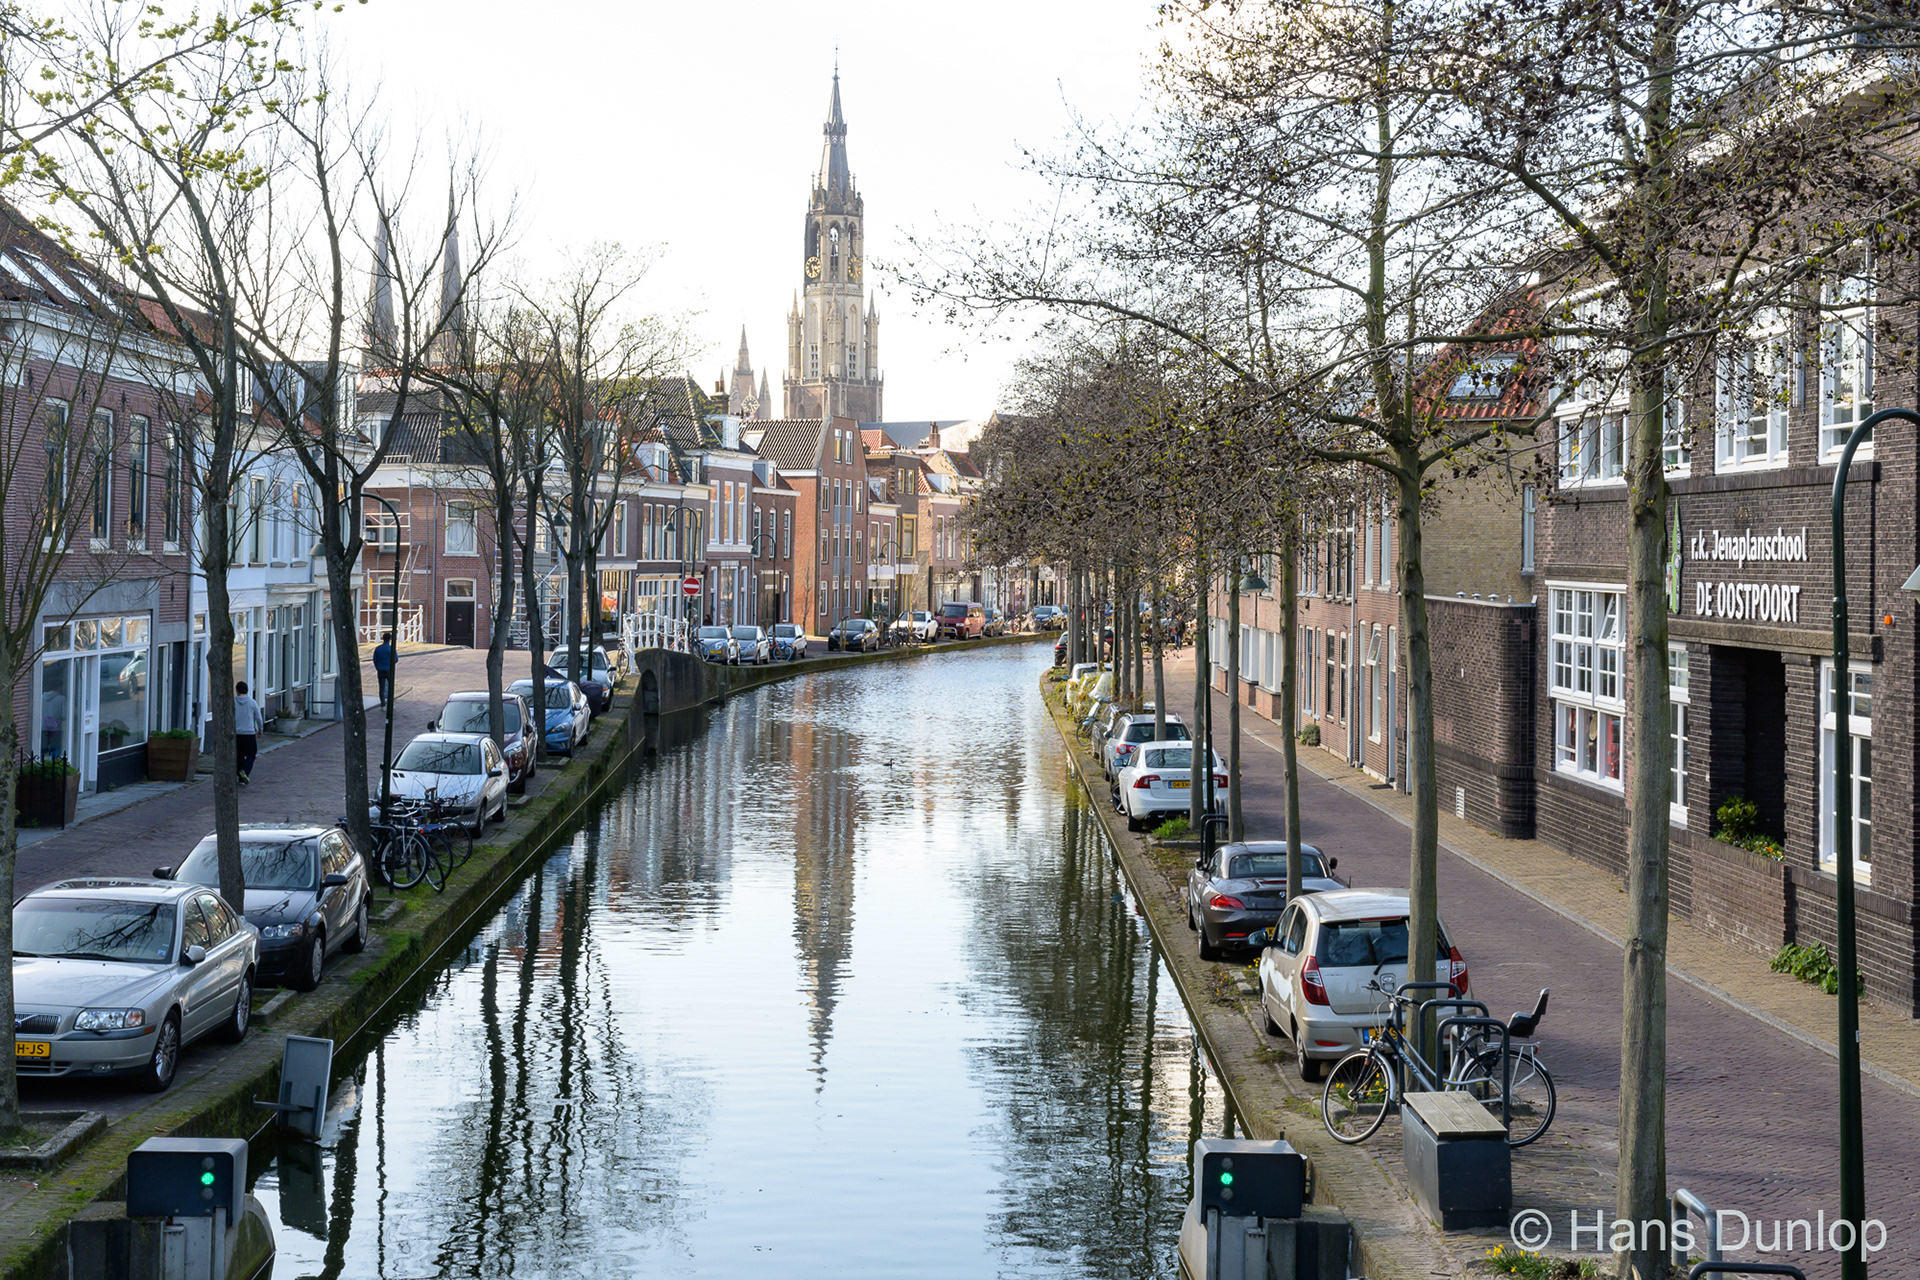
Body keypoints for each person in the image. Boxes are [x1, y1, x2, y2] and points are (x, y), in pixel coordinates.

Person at [233, 681, 263, 786]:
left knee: (239, 755)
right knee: (251, 754)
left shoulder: (232, 702)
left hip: (237, 733)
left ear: (237, 690)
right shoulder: (252, 702)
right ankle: (244, 771)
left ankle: (240, 777)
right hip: (249, 733)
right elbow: (258, 717)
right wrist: (260, 730)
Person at [372, 631, 396, 706]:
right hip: (389, 669)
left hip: (380, 669)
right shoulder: (391, 648)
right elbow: (396, 659)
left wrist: (378, 667)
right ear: (390, 639)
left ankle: (383, 704)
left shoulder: (378, 649)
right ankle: (390, 703)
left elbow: (375, 659)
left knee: (381, 687)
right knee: (391, 687)